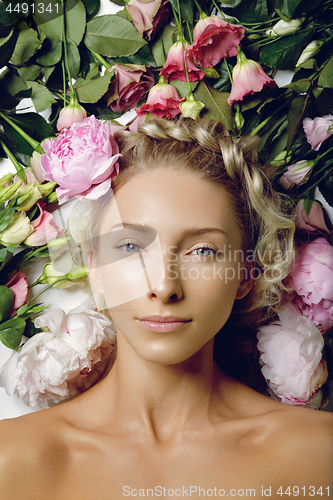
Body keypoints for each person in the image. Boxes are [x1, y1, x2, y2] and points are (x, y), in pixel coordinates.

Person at [0, 117, 332, 500]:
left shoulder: (318, 454)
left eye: (202, 251)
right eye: (130, 247)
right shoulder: (14, 460)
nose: (164, 286)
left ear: (245, 273)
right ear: (96, 269)